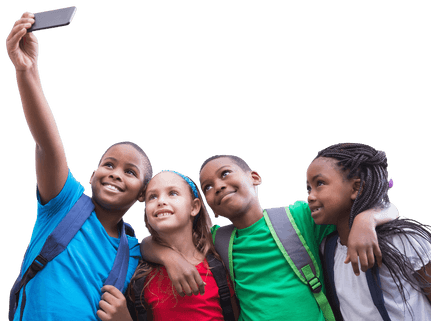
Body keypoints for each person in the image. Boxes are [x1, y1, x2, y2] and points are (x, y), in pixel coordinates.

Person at [6, 12, 152, 321]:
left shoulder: (135, 253)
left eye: (129, 172)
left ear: (143, 194)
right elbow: (48, 144)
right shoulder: (64, 203)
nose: (114, 173)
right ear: (94, 174)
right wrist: (27, 69)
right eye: (108, 164)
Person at [142, 154, 399, 321]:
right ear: (205, 204)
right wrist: (169, 258)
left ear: (254, 178)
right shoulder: (217, 239)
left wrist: (367, 220)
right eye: (207, 186)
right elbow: (145, 244)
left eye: (225, 174)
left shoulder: (298, 216)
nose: (217, 185)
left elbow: (384, 205)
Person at [306, 142, 431, 320]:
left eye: (320, 183)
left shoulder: (402, 241)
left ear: (355, 188)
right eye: (308, 187)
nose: (310, 196)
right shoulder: (328, 249)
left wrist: (366, 220)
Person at [126, 170, 237, 320]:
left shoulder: (221, 263)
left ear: (194, 207)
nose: (161, 201)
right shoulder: (139, 273)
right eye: (152, 197)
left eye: (172, 193)